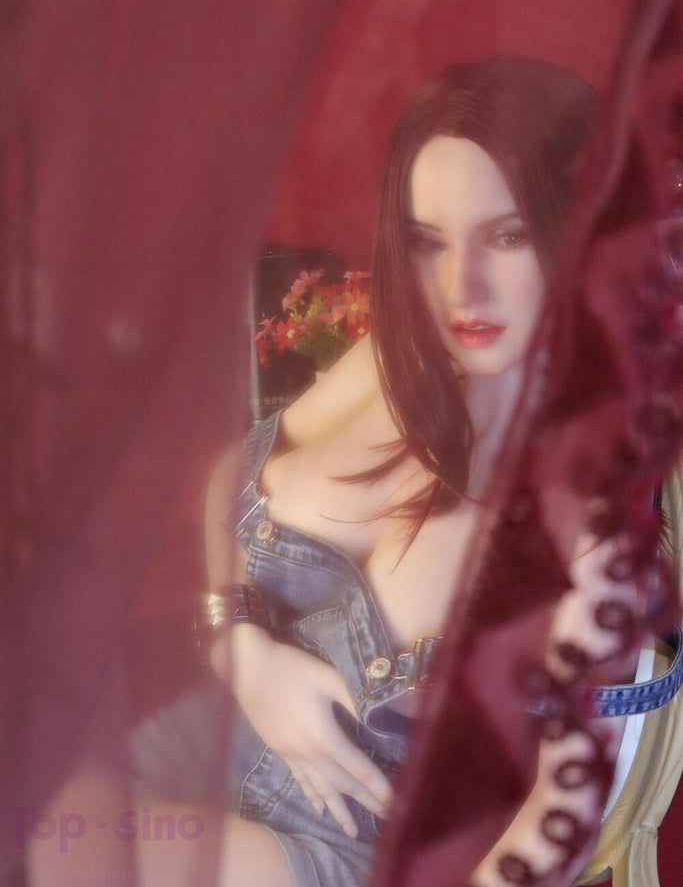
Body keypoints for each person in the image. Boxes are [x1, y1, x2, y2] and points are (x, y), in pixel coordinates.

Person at [130, 56, 677, 887]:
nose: (462, 288)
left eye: (507, 235)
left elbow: (557, 818)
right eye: (427, 242)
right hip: (193, 743)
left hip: (334, 850)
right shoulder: (392, 362)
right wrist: (239, 643)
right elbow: (226, 479)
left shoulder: (589, 518)